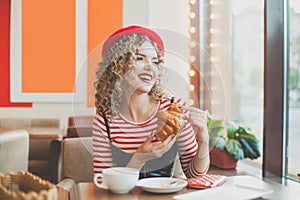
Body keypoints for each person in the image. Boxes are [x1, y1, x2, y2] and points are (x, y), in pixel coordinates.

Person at [93, 25, 209, 182]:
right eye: (139, 58)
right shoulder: (104, 122)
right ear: (117, 66)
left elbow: (195, 175)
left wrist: (204, 141)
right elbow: (103, 183)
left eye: (155, 62)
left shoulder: (173, 110)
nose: (150, 67)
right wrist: (139, 159)